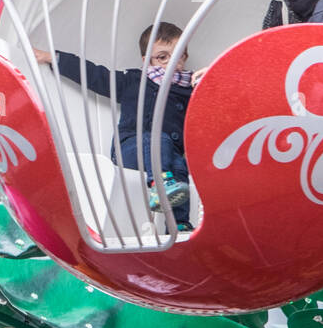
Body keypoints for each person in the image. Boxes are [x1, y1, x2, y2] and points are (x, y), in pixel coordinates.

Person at [35, 22, 200, 230]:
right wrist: (54, 58)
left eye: (178, 54)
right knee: (157, 140)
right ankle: (159, 187)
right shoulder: (133, 81)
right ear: (146, 60)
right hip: (130, 149)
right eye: (162, 56)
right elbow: (95, 76)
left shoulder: (189, 90)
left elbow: (207, 112)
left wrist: (206, 83)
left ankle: (180, 225)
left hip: (168, 153)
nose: (170, 62)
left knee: (179, 167)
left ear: (184, 56)